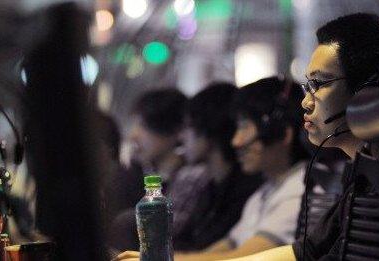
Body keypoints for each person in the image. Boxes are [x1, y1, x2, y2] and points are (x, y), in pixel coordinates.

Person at [216, 13, 379, 260]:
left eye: (319, 84)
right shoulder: (371, 168)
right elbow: (305, 253)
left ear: (369, 89)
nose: (305, 102)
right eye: (307, 86)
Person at [115, 76, 310, 261]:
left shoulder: (299, 189)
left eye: (244, 127)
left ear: (282, 134)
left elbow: (245, 256)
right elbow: (225, 248)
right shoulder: (265, 192)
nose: (236, 141)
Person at [172, 82, 263, 251]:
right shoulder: (211, 186)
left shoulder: (247, 190)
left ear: (209, 128)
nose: (181, 136)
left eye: (188, 127)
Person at [108, 89, 187, 251]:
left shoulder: (193, 181)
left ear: (174, 129)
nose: (133, 136)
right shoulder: (130, 177)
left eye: (143, 126)